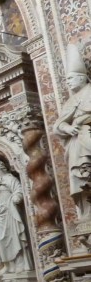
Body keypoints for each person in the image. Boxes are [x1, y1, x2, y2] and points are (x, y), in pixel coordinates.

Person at [53, 44, 91, 216]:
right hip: (76, 143)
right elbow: (58, 125)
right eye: (67, 79)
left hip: (87, 137)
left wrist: (83, 120)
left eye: (71, 78)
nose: (67, 81)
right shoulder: (70, 101)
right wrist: (68, 127)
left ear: (82, 78)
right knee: (81, 176)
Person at [0, 160, 32, 276]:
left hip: (10, 213)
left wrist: (16, 197)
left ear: (1, 165)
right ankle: (8, 265)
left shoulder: (10, 179)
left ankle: (20, 263)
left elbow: (18, 190)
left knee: (15, 237)